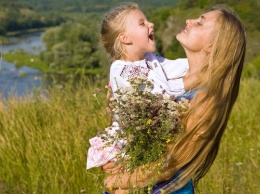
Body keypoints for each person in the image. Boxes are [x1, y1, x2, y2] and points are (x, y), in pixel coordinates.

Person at [102, 5, 246, 194]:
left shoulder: (206, 98)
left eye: (200, 23)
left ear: (212, 45)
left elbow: (168, 165)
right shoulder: (163, 73)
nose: (189, 21)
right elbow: (127, 126)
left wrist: (114, 182)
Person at [86, 2, 195, 170]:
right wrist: (193, 80)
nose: (151, 24)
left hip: (149, 136)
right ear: (125, 38)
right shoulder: (121, 70)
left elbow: (175, 67)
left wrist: (202, 61)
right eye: (142, 23)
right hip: (129, 142)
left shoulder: (150, 59)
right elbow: (159, 94)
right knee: (129, 182)